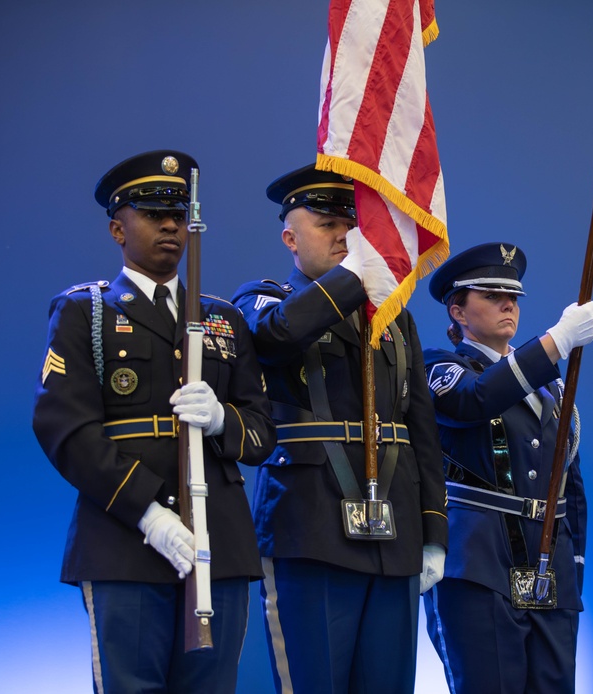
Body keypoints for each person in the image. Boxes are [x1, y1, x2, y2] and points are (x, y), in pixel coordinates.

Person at [32, 150, 277, 693]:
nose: (171, 224)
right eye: (152, 213)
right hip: (124, 540)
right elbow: (64, 428)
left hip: (220, 540)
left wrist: (222, 420)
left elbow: (261, 429)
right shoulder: (85, 312)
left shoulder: (221, 318)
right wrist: (147, 512)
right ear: (118, 228)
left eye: (177, 213)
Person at [231, 163, 448, 694]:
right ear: (290, 237)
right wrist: (354, 277)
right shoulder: (261, 298)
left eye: (352, 223)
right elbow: (278, 336)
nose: (345, 234)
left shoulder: (395, 319)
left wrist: (434, 535)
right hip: (311, 528)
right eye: (326, 223)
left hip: (394, 532)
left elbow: (422, 428)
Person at [422, 242, 593, 693]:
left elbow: (568, 480)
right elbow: (475, 399)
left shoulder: (551, 387)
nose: (508, 304)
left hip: (548, 563)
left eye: (514, 297)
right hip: (478, 560)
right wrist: (555, 342)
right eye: (491, 295)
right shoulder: (442, 366)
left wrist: (574, 560)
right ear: (458, 311)